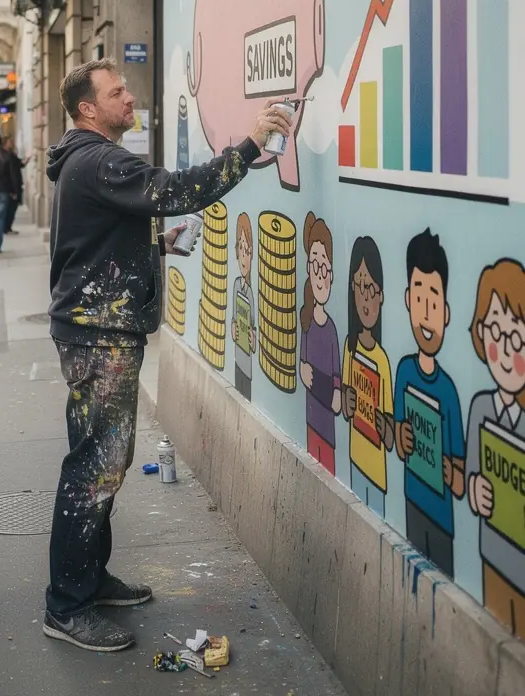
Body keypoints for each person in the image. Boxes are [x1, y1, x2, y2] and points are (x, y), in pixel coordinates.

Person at [43, 58, 290, 653]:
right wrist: (251, 143)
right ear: (87, 109)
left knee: (106, 460)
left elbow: (98, 234)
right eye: (117, 92)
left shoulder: (83, 161)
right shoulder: (102, 160)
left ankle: (90, 580)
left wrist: (155, 243)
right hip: (97, 331)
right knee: (96, 467)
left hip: (94, 325)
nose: (130, 98)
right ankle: (67, 605)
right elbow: (178, 190)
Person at [393, 229, 464, 578]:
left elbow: (460, 469)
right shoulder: (404, 371)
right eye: (419, 300)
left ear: (446, 313)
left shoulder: (449, 392)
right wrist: (401, 436)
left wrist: (457, 477)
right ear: (408, 300)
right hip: (412, 499)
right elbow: (394, 432)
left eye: (433, 303)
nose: (425, 314)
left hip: (442, 514)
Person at [465, 258, 525, 637]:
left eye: (515, 338)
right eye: (495, 333)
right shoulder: (481, 407)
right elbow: (471, 471)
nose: (503, 350)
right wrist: (474, 489)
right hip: (490, 553)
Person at [340, 236, 394, 518]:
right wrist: (349, 403)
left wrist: (385, 426)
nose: (366, 298)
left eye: (372, 289)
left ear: (381, 295)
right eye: (361, 287)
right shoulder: (350, 347)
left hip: (378, 471)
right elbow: (346, 410)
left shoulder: (383, 362)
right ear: (352, 289)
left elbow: (389, 438)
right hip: (355, 458)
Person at [298, 212, 341, 475]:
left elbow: (336, 375)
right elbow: (303, 363)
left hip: (328, 420)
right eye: (315, 265)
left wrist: (334, 389)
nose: (320, 274)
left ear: (332, 274)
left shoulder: (332, 330)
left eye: (324, 267)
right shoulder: (306, 322)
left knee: (328, 462)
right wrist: (304, 372)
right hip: (312, 414)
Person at [230, 213, 256, 400]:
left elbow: (254, 326)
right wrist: (233, 327)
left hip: (248, 361)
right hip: (238, 357)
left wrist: (253, 339)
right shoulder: (236, 285)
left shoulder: (252, 295)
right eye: (241, 249)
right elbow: (233, 317)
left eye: (247, 251)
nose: (244, 257)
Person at [3, 137, 28, 235]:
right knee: (11, 208)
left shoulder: (8, 155)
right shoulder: (9, 155)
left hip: (9, 186)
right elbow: (14, 171)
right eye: (10, 142)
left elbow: (20, 164)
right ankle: (6, 227)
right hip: (12, 186)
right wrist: (13, 190)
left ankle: (6, 227)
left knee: (10, 207)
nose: (11, 143)